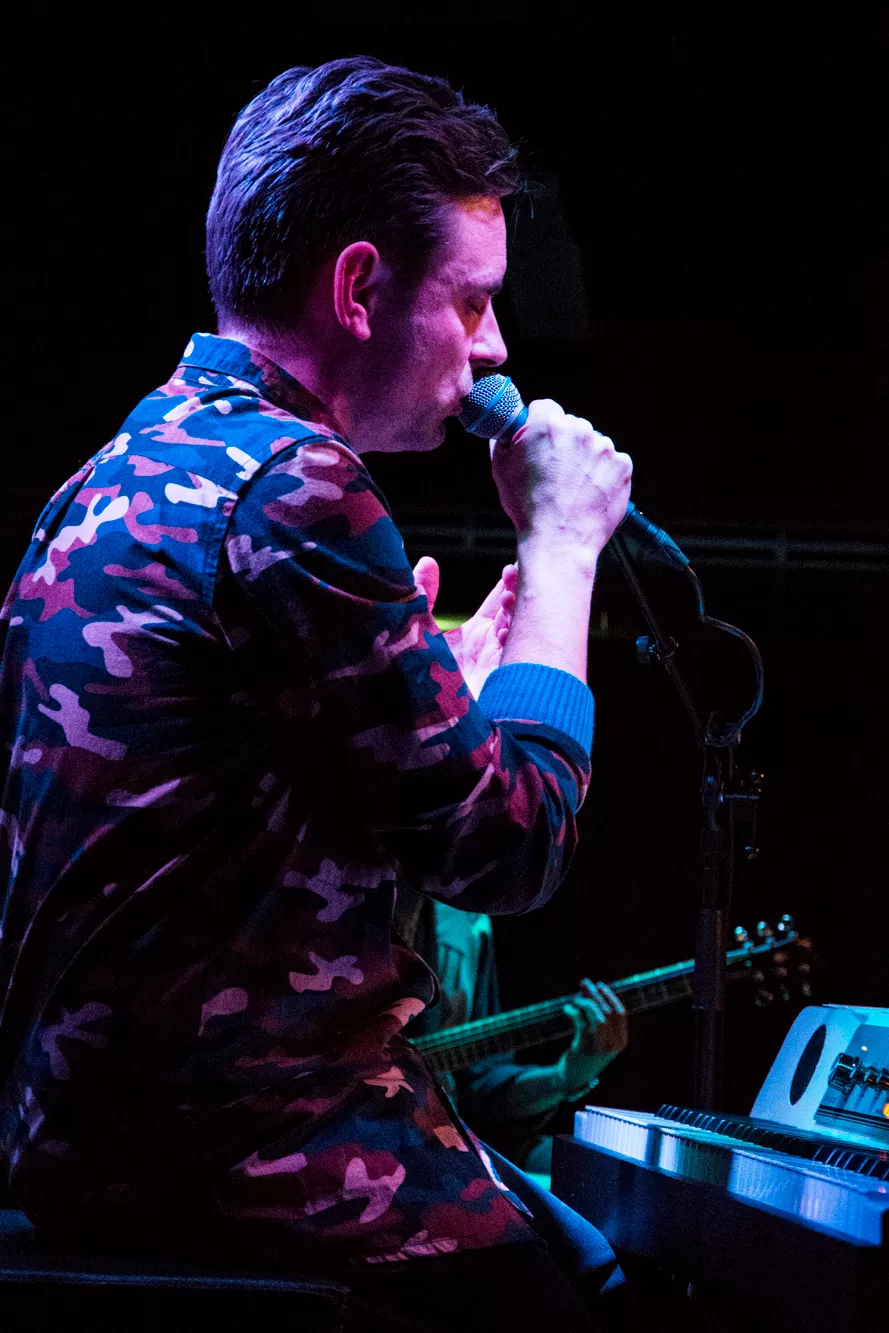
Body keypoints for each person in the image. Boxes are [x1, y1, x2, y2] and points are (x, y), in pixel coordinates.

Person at [0, 57, 633, 1330]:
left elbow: (224, 822)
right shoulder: (298, 485)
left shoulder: (111, 475)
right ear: (357, 288)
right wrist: (562, 550)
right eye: (471, 302)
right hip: (253, 1157)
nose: (495, 348)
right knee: (594, 1289)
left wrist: (451, 699)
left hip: (75, 1143)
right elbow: (515, 848)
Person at [395, 887, 629, 1175]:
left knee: (597, 1170)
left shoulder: (467, 919)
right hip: (377, 1134)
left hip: (445, 1135)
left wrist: (565, 1076)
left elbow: (480, 1083)